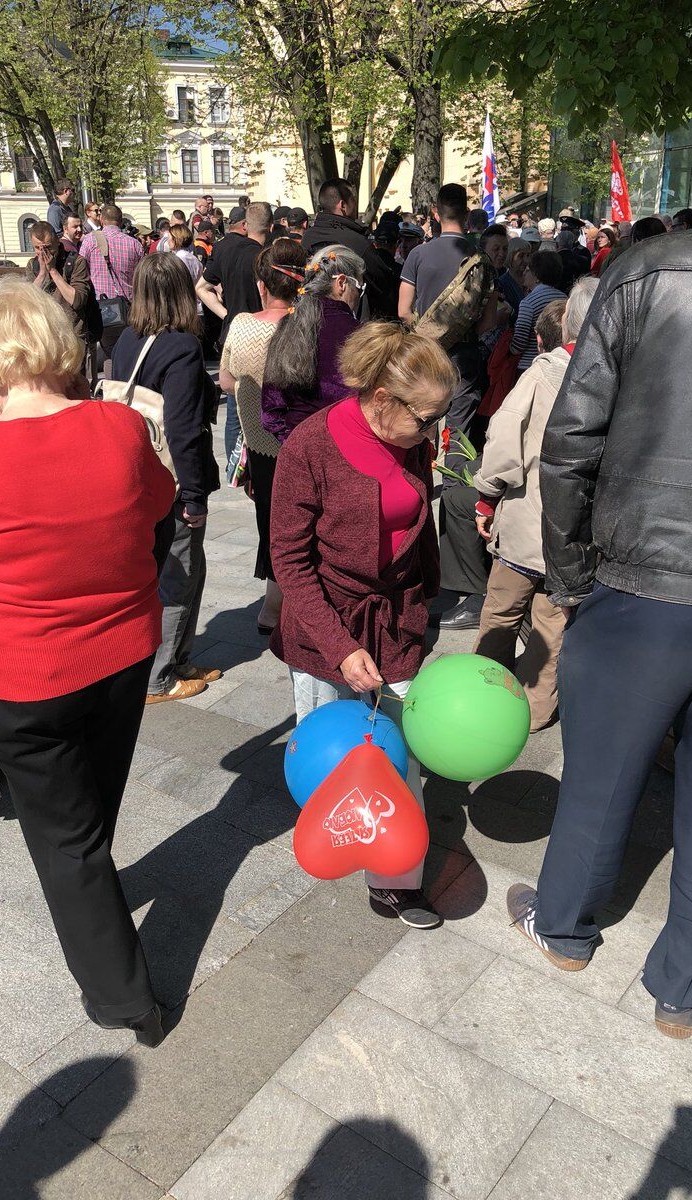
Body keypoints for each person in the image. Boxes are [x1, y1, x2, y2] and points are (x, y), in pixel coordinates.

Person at [507, 95, 692, 1041]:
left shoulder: (645, 268)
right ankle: (681, 992)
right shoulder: (648, 269)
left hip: (638, 581)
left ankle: (566, 930)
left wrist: (569, 576)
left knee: (599, 776)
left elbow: (569, 445)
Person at [0, 278, 176, 1044]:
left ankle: (126, 998)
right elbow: (159, 503)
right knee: (88, 811)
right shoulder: (119, 426)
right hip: (122, 654)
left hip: (25, 678)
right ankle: (98, 895)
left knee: (65, 840)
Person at [270, 322, 457, 927]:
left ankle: (396, 878)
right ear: (382, 402)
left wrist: (427, 601)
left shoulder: (412, 439)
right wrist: (339, 646)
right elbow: (290, 561)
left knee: (401, 759)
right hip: (329, 623)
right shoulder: (310, 445)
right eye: (427, 418)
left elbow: (417, 521)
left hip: (397, 620)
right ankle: (343, 838)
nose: (434, 430)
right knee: (341, 761)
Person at [473, 284, 598, 729]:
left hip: (528, 520)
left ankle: (485, 696)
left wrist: (487, 496)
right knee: (552, 622)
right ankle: (535, 709)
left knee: (501, 612)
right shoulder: (618, 375)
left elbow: (504, 437)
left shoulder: (541, 373)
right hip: (579, 531)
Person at [111, 254, 220, 705]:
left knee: (164, 574)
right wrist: (194, 495)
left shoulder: (124, 341)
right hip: (170, 482)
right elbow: (183, 427)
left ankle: (175, 658)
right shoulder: (181, 347)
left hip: (133, 476)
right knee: (180, 574)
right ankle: (161, 676)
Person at [219, 239, 308, 632]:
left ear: (262, 285)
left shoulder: (241, 325)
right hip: (304, 442)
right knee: (307, 521)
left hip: (261, 446)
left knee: (272, 522)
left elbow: (225, 380)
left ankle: (274, 606)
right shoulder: (310, 325)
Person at [398, 182, 496, 483]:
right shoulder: (481, 260)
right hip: (464, 358)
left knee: (418, 424)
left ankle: (417, 488)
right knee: (458, 433)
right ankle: (453, 498)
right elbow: (488, 321)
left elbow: (403, 310)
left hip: (425, 355)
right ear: (466, 215)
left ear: (435, 213)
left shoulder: (418, 255)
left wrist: (428, 331)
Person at [260, 244, 363, 443]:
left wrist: (295, 443)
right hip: (349, 450)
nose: (359, 296)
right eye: (359, 288)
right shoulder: (363, 335)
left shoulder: (289, 325)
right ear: (341, 283)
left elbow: (270, 414)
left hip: (299, 450)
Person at [200, 202, 270, 457]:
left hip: (232, 332)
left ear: (245, 225)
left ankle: (234, 465)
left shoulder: (224, 248)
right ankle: (258, 459)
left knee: (234, 405)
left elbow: (201, 288)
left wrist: (227, 314)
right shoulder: (265, 256)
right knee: (262, 403)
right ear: (270, 227)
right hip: (261, 333)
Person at [302, 178, 399, 319]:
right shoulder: (357, 243)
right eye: (353, 199)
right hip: (351, 319)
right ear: (342, 205)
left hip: (312, 314)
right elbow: (383, 283)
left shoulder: (308, 237)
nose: (356, 203)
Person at [79, 204, 144, 370]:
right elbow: (142, 276)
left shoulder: (89, 241)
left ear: (102, 219)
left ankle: (112, 391)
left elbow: (81, 272)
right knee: (129, 350)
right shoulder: (134, 244)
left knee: (109, 353)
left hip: (102, 307)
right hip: (129, 306)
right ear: (121, 221)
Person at [25, 221, 91, 342]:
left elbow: (76, 301)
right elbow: (28, 302)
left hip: (74, 335)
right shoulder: (32, 265)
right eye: (37, 248)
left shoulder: (76, 262)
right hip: (46, 336)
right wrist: (42, 274)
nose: (43, 253)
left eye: (48, 247)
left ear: (57, 241)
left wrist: (53, 271)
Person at [509, 250, 567, 373]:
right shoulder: (565, 299)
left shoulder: (528, 303)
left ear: (536, 276)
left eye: (528, 269)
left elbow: (518, 346)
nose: (524, 272)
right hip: (560, 363)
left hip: (531, 366)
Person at [169, 222, 203, 291]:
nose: (167, 240)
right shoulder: (193, 258)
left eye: (169, 237)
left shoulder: (178, 259)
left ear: (176, 239)